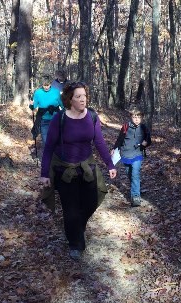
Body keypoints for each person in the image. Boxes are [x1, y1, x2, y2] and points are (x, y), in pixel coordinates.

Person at [39, 81, 117, 260]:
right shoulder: (60, 119)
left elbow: (99, 143)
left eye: (85, 96)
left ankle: (77, 226)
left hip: (86, 168)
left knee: (91, 201)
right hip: (64, 170)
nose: (83, 100)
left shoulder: (92, 116)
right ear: (69, 100)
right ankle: (76, 245)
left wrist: (110, 164)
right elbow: (49, 147)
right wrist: (44, 174)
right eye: (78, 97)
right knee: (70, 209)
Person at [112, 105, 151, 207]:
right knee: (129, 174)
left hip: (138, 154)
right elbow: (120, 139)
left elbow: (149, 139)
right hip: (125, 154)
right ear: (131, 117)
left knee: (135, 174)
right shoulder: (125, 127)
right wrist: (114, 149)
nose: (137, 119)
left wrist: (145, 143)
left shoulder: (144, 127)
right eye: (134, 117)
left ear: (142, 118)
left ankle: (135, 196)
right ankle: (135, 187)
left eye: (139, 117)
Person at [29, 71, 67, 146]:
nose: (46, 87)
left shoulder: (56, 92)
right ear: (42, 84)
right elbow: (34, 106)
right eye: (44, 85)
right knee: (46, 141)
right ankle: (48, 156)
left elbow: (62, 105)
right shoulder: (38, 92)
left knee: (56, 140)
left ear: (50, 84)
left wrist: (66, 111)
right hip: (44, 120)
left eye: (48, 85)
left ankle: (55, 156)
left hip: (55, 119)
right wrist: (31, 105)